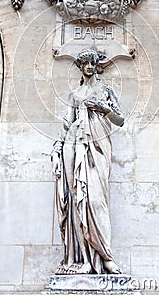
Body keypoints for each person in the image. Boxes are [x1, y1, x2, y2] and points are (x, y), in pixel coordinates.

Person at [51, 48, 124, 275]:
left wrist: (104, 109)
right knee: (76, 199)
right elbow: (66, 124)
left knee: (95, 200)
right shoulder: (75, 94)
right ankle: (82, 260)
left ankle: (105, 256)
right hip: (74, 144)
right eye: (85, 64)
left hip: (98, 147)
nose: (89, 67)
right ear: (80, 67)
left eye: (92, 63)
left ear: (96, 65)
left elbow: (120, 120)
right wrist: (56, 150)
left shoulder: (106, 91)